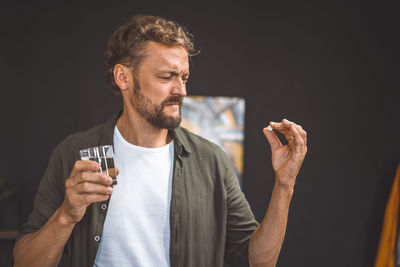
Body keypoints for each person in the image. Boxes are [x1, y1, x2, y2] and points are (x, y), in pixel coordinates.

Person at [13, 15, 307, 267]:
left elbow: (259, 261)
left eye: (184, 77)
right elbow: (25, 261)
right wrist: (67, 214)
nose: (181, 90)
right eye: (167, 76)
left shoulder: (211, 161)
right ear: (123, 78)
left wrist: (285, 184)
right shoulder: (74, 153)